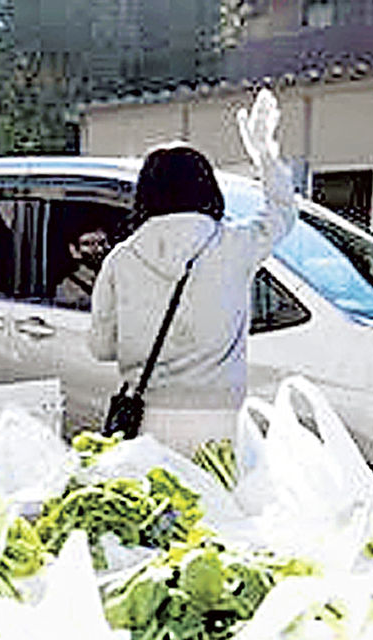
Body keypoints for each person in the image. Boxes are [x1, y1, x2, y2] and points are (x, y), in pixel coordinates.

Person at [88, 89, 296, 454]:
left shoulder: (120, 259)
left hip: (145, 415)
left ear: (145, 194)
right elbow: (282, 213)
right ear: (208, 188)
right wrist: (265, 154)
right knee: (215, 493)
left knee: (154, 493)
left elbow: (101, 348)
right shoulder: (235, 245)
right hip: (220, 418)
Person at [55, 226, 110, 310]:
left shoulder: (112, 279)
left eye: (101, 243)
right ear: (73, 249)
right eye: (87, 244)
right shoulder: (67, 288)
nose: (98, 249)